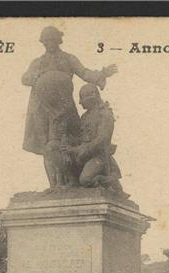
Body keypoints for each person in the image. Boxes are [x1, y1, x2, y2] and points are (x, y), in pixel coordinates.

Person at [21, 26, 117, 185]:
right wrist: (38, 76)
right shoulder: (37, 62)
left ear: (58, 40)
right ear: (42, 42)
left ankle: (70, 180)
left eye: (52, 40)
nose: (49, 44)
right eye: (46, 41)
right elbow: (25, 78)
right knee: (47, 146)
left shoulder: (68, 59)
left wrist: (102, 74)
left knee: (65, 140)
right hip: (42, 107)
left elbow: (84, 73)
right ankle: (54, 186)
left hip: (64, 106)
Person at [69, 84, 123, 192]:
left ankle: (110, 180)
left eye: (82, 98)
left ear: (93, 95)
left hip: (99, 157)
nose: (80, 102)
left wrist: (82, 149)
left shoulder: (104, 114)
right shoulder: (84, 116)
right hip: (83, 157)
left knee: (86, 180)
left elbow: (102, 139)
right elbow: (81, 137)